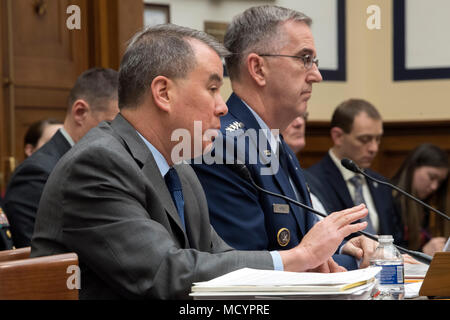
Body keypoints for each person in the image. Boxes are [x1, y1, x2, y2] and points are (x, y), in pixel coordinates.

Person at [30, 24, 369, 299]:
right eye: (211, 88)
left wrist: (303, 269)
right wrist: (298, 256)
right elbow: (166, 274)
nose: (222, 107)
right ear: (163, 93)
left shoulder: (180, 170)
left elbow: (216, 259)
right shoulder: (98, 164)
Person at [192, 6, 376, 271]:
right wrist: (360, 262)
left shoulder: (273, 140)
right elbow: (250, 270)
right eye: (304, 59)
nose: (316, 75)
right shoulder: (220, 148)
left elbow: (300, 236)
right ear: (258, 68)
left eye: (314, 61)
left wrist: (345, 246)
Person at [3, 68, 119, 248]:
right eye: (113, 124)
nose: (122, 135)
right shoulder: (37, 173)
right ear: (80, 112)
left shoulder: (106, 163)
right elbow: (35, 257)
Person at [307, 99, 403, 244]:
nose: (374, 148)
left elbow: (397, 239)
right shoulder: (312, 182)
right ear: (338, 136)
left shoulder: (381, 183)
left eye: (378, 139)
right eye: (365, 139)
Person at [391, 143, 450, 256]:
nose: (434, 187)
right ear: (413, 168)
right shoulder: (388, 199)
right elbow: (388, 250)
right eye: (431, 177)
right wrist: (422, 252)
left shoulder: (424, 205)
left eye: (440, 182)